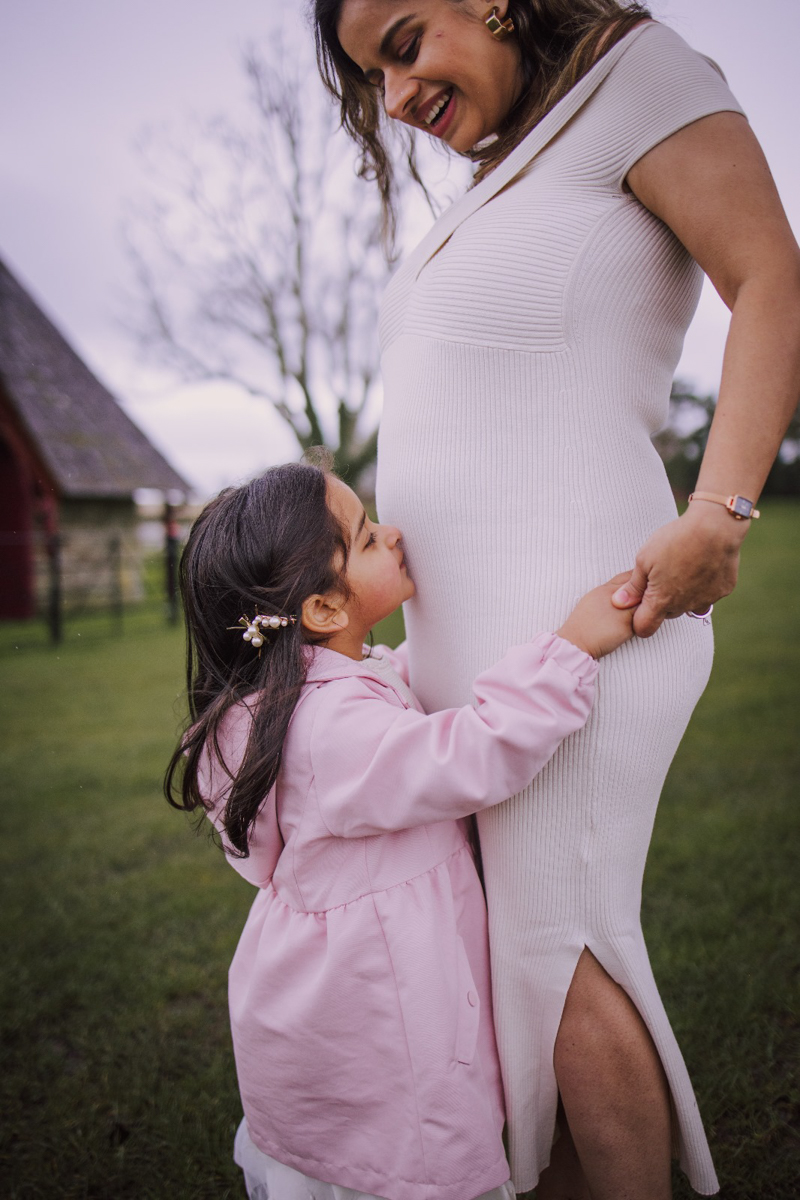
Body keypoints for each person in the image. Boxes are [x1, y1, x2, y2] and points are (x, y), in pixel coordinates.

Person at [312, 2, 800, 1197]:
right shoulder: (507, 170)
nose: (395, 95)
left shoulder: (638, 77)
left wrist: (717, 511)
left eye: (404, 41)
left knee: (556, 947)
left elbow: (770, 275)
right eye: (369, 76)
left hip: (583, 630)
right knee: (517, 970)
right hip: (477, 663)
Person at [165, 460, 635, 1200]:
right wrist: (570, 649)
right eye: (367, 535)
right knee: (411, 1157)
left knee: (363, 1153)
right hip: (383, 1007)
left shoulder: (307, 701)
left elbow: (403, 682)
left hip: (332, 992)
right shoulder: (329, 731)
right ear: (322, 608)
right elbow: (471, 754)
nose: (395, 535)